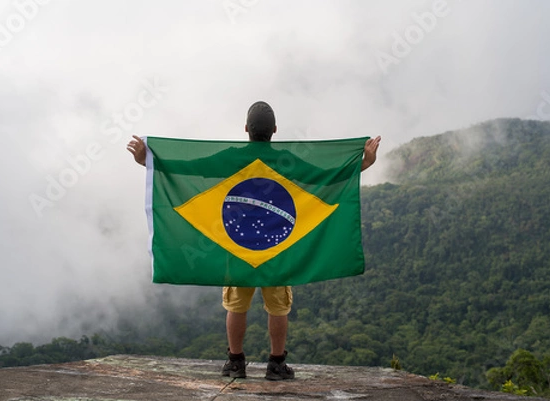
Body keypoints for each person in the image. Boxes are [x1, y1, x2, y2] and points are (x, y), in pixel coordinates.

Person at [127, 101, 381, 380]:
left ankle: (235, 363)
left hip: (236, 247)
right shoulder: (289, 159)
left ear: (246, 129)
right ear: (274, 130)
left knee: (236, 305)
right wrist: (364, 163)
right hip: (278, 247)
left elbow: (187, 168)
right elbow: (327, 176)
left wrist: (147, 161)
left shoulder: (231, 157)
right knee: (279, 307)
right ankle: (276, 364)